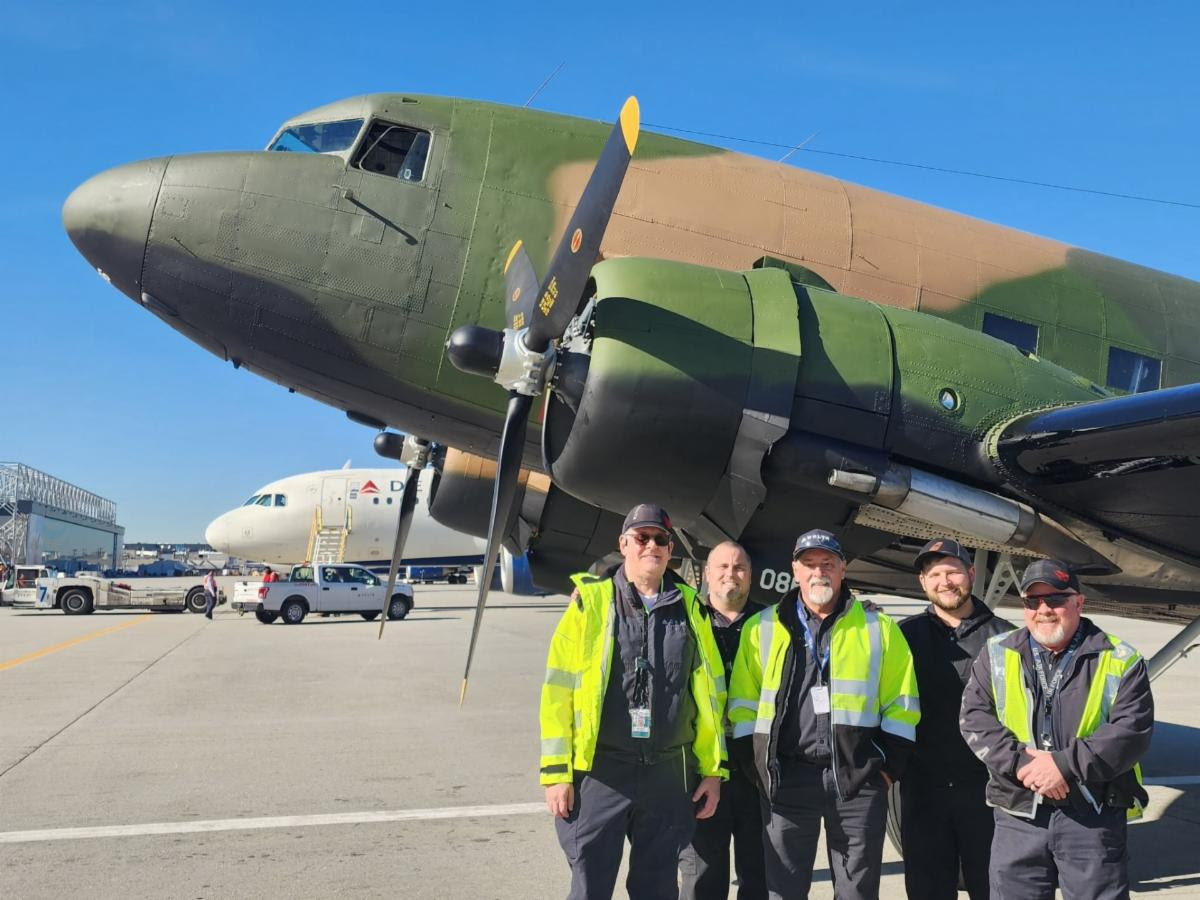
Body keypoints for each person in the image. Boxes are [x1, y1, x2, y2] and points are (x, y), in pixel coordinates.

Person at [540, 503, 729, 900]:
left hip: (667, 772)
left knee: (658, 888)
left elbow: (710, 698)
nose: (652, 546)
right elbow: (557, 692)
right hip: (602, 771)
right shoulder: (589, 604)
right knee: (590, 885)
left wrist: (712, 771)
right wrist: (557, 773)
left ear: (670, 549)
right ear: (623, 544)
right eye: (642, 538)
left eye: (661, 539)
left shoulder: (692, 608)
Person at [728, 529, 919, 900]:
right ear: (795, 571)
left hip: (856, 779)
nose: (819, 572)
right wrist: (754, 765)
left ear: (842, 569)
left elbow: (902, 701)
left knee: (858, 891)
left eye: (828, 564)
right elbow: (743, 704)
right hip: (787, 776)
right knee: (782, 888)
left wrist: (886, 767)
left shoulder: (879, 629)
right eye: (810, 564)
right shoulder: (761, 628)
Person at [960, 559, 1153, 900]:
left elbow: (1130, 732)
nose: (1044, 609)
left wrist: (1062, 765)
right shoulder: (997, 653)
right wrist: (1022, 764)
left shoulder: (1121, 658)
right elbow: (975, 718)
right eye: (1032, 601)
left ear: (1078, 602)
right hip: (1019, 811)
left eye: (1056, 599)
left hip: (1091, 812)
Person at [898, 539, 1014, 900]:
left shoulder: (1007, 638)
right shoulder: (903, 636)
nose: (945, 581)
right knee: (927, 889)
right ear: (922, 582)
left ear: (971, 574)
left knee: (993, 887)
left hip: (988, 791)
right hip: (923, 792)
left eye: (952, 571)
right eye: (934, 574)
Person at [680, 542, 768, 900]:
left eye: (739, 567)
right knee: (702, 876)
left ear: (751, 575)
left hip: (757, 767)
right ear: (706, 573)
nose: (730, 574)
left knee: (761, 873)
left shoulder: (773, 621)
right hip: (704, 767)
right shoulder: (687, 620)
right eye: (722, 567)